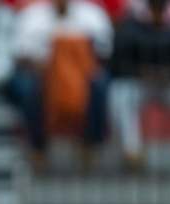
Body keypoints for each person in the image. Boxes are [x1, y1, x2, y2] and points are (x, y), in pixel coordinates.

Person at [6, 0, 113, 167]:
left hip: (82, 74)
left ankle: (90, 143)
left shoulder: (92, 14)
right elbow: (19, 53)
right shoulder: (32, 15)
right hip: (40, 73)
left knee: (99, 84)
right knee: (27, 88)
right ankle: (38, 147)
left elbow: (105, 51)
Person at [109, 0, 170, 169]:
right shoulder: (134, 22)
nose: (157, 11)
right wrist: (141, 71)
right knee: (121, 92)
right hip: (142, 85)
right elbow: (119, 61)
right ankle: (132, 151)